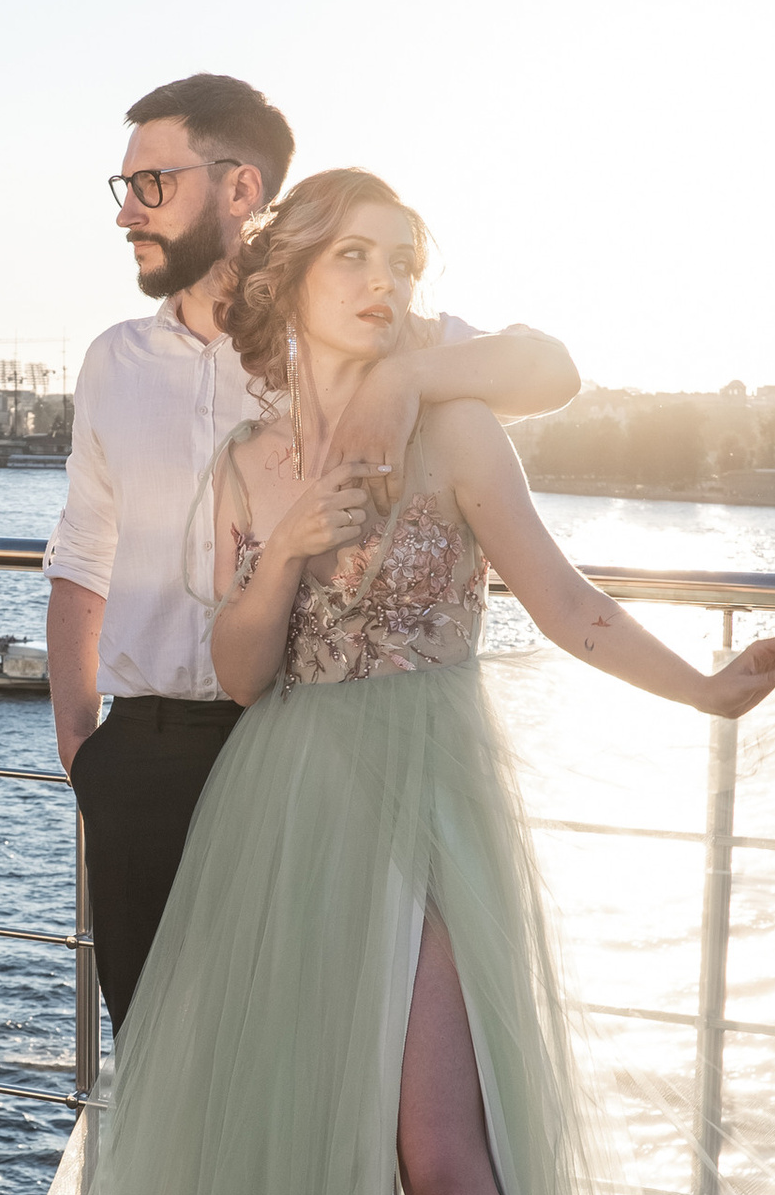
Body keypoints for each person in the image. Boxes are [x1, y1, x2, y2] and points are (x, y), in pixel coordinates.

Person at [0, 169, 775, 1195]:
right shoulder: (248, 456)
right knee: (283, 1166)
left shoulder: (458, 423)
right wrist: (279, 546)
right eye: (355, 256)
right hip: (281, 813)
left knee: (439, 1157)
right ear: (292, 279)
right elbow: (235, 672)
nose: (384, 279)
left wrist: (709, 693)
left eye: (405, 259)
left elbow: (569, 603)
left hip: (423, 791)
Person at [46, 73, 579, 1031]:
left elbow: (550, 368)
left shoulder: (352, 325)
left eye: (153, 184)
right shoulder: (111, 363)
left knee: (308, 1070)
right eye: (123, 187)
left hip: (298, 757)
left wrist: (412, 373)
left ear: (240, 190)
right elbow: (84, 553)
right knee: (159, 1066)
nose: (128, 210)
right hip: (145, 761)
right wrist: (84, 748)